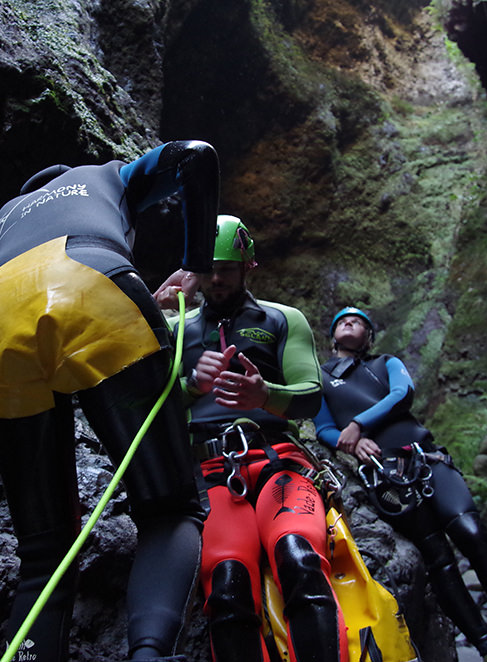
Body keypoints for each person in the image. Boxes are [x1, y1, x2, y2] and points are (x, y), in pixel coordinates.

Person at [0, 140, 222, 662]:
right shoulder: (110, 175)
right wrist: (196, 264)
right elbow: (196, 154)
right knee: (168, 508)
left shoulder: (1, 223)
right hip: (97, 287)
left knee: (44, 551)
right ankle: (148, 654)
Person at [155, 215, 348, 662]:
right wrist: (189, 386)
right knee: (226, 587)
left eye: (226, 268)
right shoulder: (174, 329)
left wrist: (266, 394)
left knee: (299, 558)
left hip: (278, 460)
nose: (217, 278)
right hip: (211, 472)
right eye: (207, 268)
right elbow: (139, 406)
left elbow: (309, 396)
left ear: (248, 268)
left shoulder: (283, 320)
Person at [313, 307, 487, 662]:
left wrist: (357, 424)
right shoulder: (321, 378)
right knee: (439, 561)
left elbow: (403, 393)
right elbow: (324, 426)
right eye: (341, 320)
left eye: (358, 320)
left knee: (471, 531)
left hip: (425, 458)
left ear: (369, 336)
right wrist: (352, 443)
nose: (348, 322)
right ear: (331, 336)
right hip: (385, 476)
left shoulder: (387, 362)